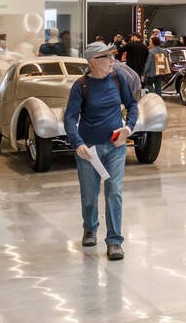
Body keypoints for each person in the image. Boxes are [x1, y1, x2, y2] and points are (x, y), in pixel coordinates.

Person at [63, 42, 138, 260]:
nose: (114, 61)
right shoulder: (81, 86)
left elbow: (132, 105)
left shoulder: (117, 79)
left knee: (114, 191)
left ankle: (114, 241)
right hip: (90, 151)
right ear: (94, 61)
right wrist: (78, 144)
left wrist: (128, 128)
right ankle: (90, 227)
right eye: (109, 57)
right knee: (89, 194)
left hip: (116, 147)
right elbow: (69, 118)